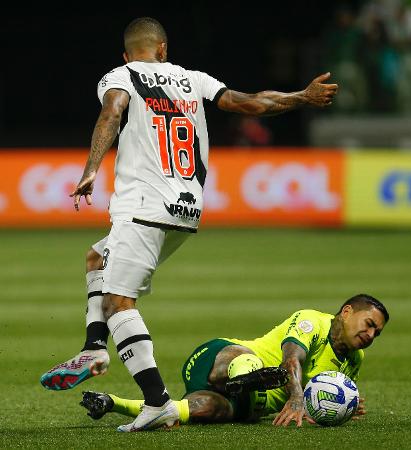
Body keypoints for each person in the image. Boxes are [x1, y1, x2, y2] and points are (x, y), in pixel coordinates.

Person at [39, 17, 338, 432]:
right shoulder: (193, 79)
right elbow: (251, 103)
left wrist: (92, 167)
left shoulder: (121, 75)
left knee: (120, 303)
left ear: (129, 55)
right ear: (163, 49)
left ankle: (157, 400)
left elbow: (112, 112)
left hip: (142, 204)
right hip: (186, 210)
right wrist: (301, 97)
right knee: (97, 258)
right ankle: (94, 347)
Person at [80, 294, 388, 429]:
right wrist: (296, 396)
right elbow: (292, 358)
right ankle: (247, 377)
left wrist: (345, 405)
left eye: (377, 331)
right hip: (219, 358)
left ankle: (111, 402)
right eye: (369, 322)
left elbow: (319, 395)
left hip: (247, 405)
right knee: (244, 361)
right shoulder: (313, 322)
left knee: (201, 409)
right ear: (347, 311)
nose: (371, 333)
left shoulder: (354, 359)